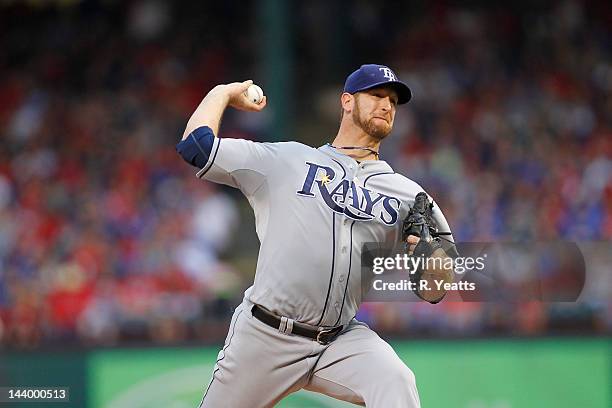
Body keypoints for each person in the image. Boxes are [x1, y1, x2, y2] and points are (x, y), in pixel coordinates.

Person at [176, 64, 455, 407]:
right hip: (266, 334)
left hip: (340, 341)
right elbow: (195, 147)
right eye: (377, 95)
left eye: (394, 101)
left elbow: (437, 288)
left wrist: (432, 263)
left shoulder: (408, 195)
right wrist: (222, 92)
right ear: (347, 102)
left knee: (396, 380)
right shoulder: (288, 159)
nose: (387, 105)